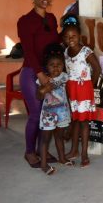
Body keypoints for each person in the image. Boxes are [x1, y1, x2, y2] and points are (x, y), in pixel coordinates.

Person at [17, 0, 61, 169]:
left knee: (48, 115)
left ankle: (41, 149)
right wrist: (41, 75)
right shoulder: (25, 21)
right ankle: (29, 152)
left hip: (49, 72)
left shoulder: (51, 19)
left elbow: (54, 44)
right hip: (31, 73)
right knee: (36, 115)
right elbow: (29, 51)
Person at [61, 14, 102, 168]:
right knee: (75, 120)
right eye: (66, 36)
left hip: (84, 90)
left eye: (73, 36)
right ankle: (74, 150)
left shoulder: (86, 52)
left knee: (84, 122)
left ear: (79, 36)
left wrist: (90, 85)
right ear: (63, 38)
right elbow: (68, 72)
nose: (70, 39)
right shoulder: (66, 52)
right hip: (72, 89)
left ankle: (84, 153)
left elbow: (97, 69)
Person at [36, 44, 73, 175]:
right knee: (45, 139)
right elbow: (38, 96)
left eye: (59, 64)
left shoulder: (64, 77)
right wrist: (43, 90)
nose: (56, 67)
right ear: (47, 66)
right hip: (48, 114)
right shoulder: (44, 79)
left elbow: (67, 95)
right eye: (52, 64)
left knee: (59, 136)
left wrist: (70, 112)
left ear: (63, 65)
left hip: (62, 112)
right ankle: (44, 164)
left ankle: (62, 158)